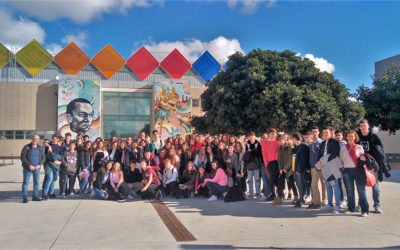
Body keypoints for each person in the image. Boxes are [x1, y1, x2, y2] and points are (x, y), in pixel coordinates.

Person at [357, 119, 390, 214]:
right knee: (361, 186)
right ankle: (360, 204)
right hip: (361, 165)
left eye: (364, 125)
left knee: (375, 186)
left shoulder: (374, 137)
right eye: (361, 126)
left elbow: (381, 150)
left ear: (368, 126)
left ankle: (377, 205)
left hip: (372, 165)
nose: (363, 127)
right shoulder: (357, 137)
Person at [317, 127, 342, 214]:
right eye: (323, 132)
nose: (325, 134)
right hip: (325, 168)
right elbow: (320, 154)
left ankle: (337, 206)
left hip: (333, 166)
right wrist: (319, 161)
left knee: (335, 186)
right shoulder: (322, 143)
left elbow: (334, 154)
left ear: (331, 133)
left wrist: (323, 161)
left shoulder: (334, 142)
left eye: (326, 132)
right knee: (328, 186)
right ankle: (329, 204)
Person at [340, 130, 365, 215]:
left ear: (355, 137)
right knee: (349, 191)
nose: (350, 138)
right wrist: (341, 170)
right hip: (347, 170)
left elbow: (363, 159)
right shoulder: (343, 147)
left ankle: (364, 210)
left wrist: (364, 158)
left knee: (361, 190)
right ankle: (351, 208)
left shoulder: (359, 147)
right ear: (346, 137)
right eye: (349, 136)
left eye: (352, 136)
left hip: (358, 170)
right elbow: (341, 160)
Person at [20, 134, 46, 203]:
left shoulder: (40, 148)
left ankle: (35, 196)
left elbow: (43, 157)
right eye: (34, 139)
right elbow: (23, 157)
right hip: (27, 168)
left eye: (36, 139)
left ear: (39, 140)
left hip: (37, 168)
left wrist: (39, 164)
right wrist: (29, 165)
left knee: (36, 183)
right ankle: (25, 197)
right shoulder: (26, 147)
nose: (35, 140)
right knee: (25, 183)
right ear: (32, 139)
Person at [307, 127, 326, 209]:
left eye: (316, 131)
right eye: (313, 131)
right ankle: (316, 202)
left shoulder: (321, 142)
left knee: (323, 184)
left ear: (319, 132)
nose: (314, 133)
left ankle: (324, 200)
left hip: (322, 166)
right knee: (314, 184)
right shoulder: (310, 143)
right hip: (313, 167)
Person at [277, 134, 298, 205]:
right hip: (282, 169)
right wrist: (280, 168)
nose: (279, 142)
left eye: (281, 140)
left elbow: (290, 159)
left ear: (284, 140)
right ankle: (280, 197)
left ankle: (296, 196)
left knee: (291, 183)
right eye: (278, 141)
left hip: (288, 169)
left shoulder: (289, 147)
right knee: (280, 182)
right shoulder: (280, 148)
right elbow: (279, 159)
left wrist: (286, 168)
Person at [261, 128, 280, 201]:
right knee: (270, 179)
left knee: (275, 179)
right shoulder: (264, 142)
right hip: (268, 164)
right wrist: (266, 163)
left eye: (274, 134)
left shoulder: (277, 142)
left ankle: (278, 194)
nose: (273, 135)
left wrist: (274, 161)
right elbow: (264, 153)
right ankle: (272, 194)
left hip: (275, 163)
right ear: (268, 134)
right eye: (272, 134)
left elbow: (277, 152)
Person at [292, 132, 310, 208]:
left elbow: (302, 160)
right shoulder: (297, 147)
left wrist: (299, 170)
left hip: (301, 170)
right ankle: (300, 198)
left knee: (301, 185)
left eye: (292, 138)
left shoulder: (303, 147)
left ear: (295, 139)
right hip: (295, 170)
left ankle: (302, 199)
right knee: (299, 185)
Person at [244, 132, 262, 199]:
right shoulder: (247, 144)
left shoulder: (258, 143)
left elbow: (258, 153)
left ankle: (258, 193)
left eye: (252, 136)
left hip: (256, 164)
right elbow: (246, 154)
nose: (251, 137)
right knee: (250, 180)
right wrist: (253, 151)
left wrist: (251, 151)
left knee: (257, 179)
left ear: (254, 136)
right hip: (249, 164)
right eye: (250, 136)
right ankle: (251, 194)